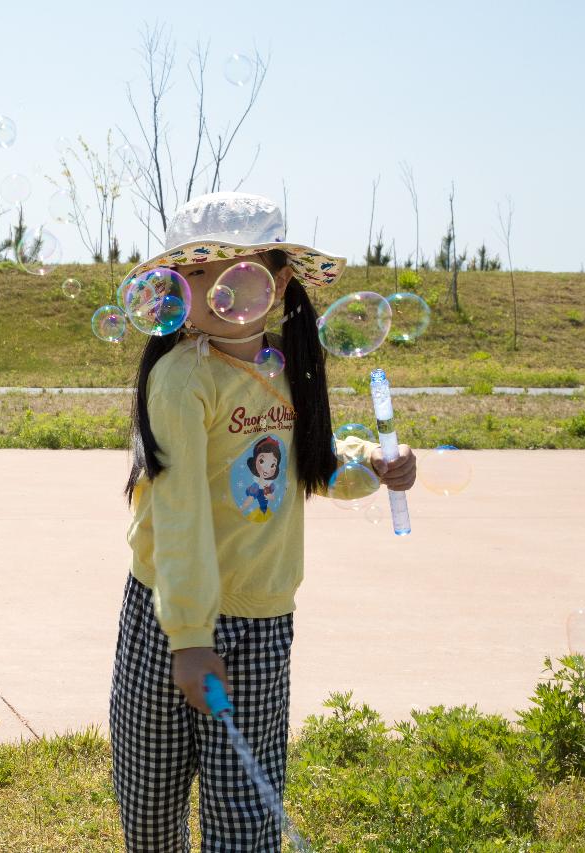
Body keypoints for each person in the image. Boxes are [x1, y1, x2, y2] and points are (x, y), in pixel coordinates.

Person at [109, 191, 417, 851]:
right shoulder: (180, 378)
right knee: (151, 803)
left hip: (259, 621)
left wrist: (373, 465)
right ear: (172, 288)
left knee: (245, 819)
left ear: (278, 283)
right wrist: (189, 637)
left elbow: (312, 463)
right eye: (194, 272)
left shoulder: (290, 367)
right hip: (168, 616)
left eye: (236, 270)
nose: (215, 287)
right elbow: (181, 513)